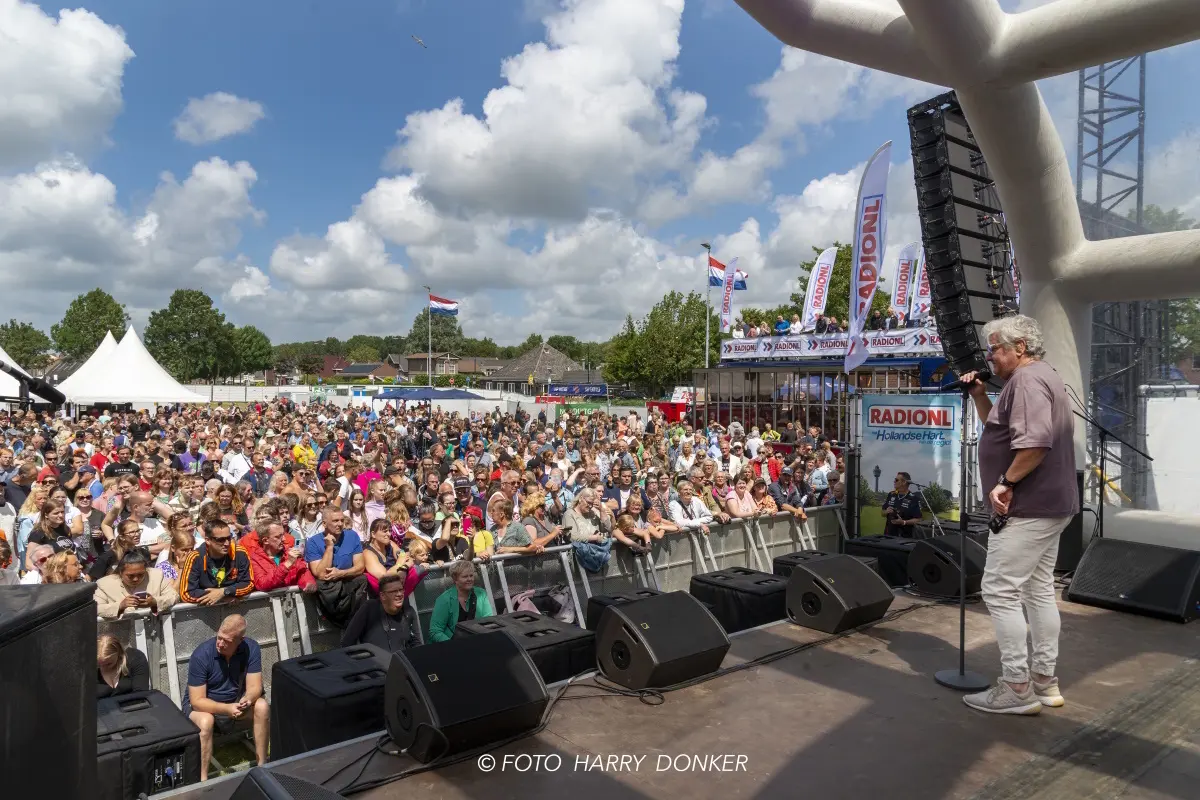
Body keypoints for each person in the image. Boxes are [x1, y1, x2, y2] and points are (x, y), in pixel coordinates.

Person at [958, 314, 1078, 716]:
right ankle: (1044, 681)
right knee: (1038, 589)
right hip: (1050, 505)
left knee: (999, 590)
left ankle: (1016, 687)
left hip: (1027, 507)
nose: (989, 356)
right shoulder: (1042, 376)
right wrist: (979, 395)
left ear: (1020, 347)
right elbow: (1001, 431)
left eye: (994, 348)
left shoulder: (1026, 381)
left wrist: (1005, 483)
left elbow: (1035, 443)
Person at [184, 614, 269, 780]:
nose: (220, 643)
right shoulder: (201, 654)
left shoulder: (251, 648)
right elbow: (197, 701)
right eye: (219, 637)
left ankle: (263, 766)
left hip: (235, 703)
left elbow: (255, 687)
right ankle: (202, 781)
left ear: (240, 640)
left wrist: (247, 699)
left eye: (227, 641)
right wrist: (226, 709)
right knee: (205, 721)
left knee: (262, 706)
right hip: (204, 707)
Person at [303, 506, 368, 627]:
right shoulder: (313, 542)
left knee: (362, 579)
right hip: (330, 595)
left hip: (349, 590)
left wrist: (340, 573)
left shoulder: (352, 536)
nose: (340, 524)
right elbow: (321, 574)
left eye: (342, 520)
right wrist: (329, 547)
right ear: (324, 524)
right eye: (335, 521)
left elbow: (360, 567)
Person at [177, 520, 255, 605]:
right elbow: (186, 593)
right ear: (208, 540)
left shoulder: (240, 552)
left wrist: (224, 592)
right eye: (220, 540)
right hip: (207, 610)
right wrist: (219, 597)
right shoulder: (195, 557)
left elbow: (249, 583)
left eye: (229, 538)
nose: (227, 543)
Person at [340, 572, 422, 652]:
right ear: (382, 596)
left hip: (402, 660)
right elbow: (347, 642)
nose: (399, 594)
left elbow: (417, 644)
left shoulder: (408, 611)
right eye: (394, 591)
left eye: (401, 590)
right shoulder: (369, 608)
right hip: (375, 661)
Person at [95, 549, 178, 618]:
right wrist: (120, 606)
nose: (136, 579)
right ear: (120, 572)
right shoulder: (104, 584)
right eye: (130, 576)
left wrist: (155, 602)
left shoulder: (157, 575)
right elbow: (96, 609)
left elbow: (174, 596)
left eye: (141, 575)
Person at [428, 560, 494, 642]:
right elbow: (435, 631)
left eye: (471, 575)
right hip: (450, 644)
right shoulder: (444, 599)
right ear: (455, 579)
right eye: (465, 576)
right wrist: (455, 646)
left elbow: (489, 621)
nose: (469, 579)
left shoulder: (481, 593)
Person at [243, 520, 307, 592]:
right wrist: (287, 564)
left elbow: (303, 570)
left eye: (283, 535)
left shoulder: (288, 552)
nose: (284, 539)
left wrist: (308, 582)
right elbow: (262, 584)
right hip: (270, 599)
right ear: (265, 541)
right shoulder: (254, 559)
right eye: (278, 537)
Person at [97, 634, 151, 698]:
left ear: (119, 653)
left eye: (108, 664)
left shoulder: (135, 658)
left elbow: (141, 694)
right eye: (99, 665)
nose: (103, 668)